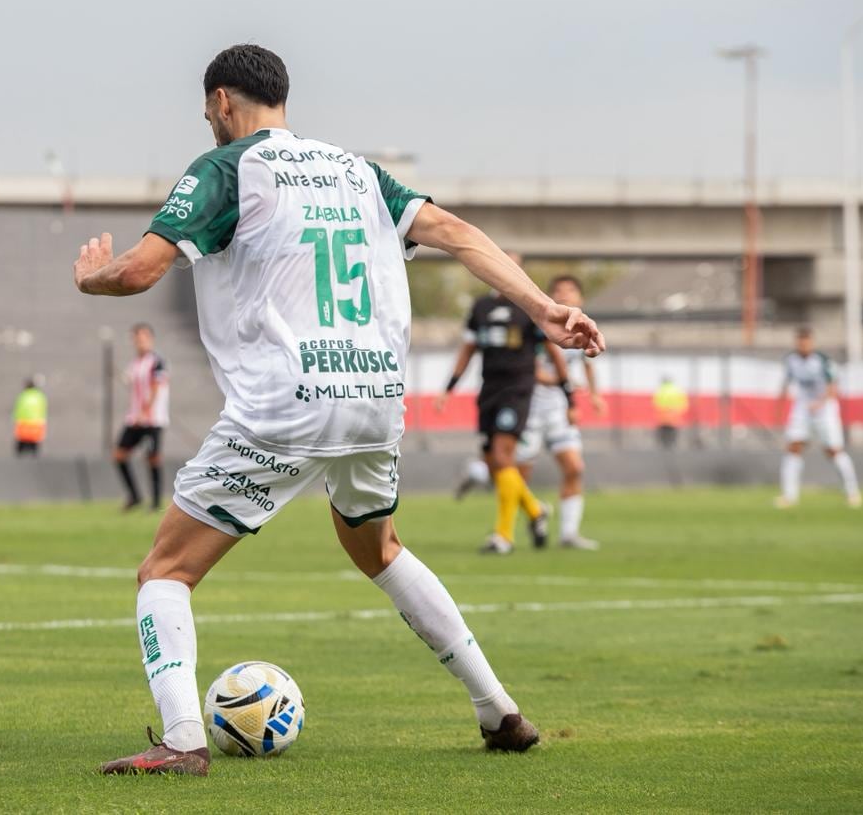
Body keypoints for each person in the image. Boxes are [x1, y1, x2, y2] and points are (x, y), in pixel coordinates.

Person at [73, 44, 604, 776]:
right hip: (374, 398)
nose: (208, 123)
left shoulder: (227, 168)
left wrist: (92, 278)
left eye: (207, 112)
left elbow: (138, 270)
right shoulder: (360, 172)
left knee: (163, 571)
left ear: (223, 102)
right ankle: (499, 711)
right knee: (376, 549)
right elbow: (458, 234)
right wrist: (546, 308)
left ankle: (183, 739)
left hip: (286, 403)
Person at [435, 253, 565, 554]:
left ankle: (503, 537)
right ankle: (535, 511)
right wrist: (449, 388)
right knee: (495, 464)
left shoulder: (530, 307)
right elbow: (468, 349)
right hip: (489, 390)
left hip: (517, 389)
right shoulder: (481, 307)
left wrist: (566, 388)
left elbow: (551, 349)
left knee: (504, 456)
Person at [516, 275, 604, 550]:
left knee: (575, 467)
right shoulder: (540, 325)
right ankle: (535, 513)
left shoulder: (581, 328)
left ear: (581, 298)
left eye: (571, 291)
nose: (565, 295)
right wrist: (560, 382)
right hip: (530, 409)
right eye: (559, 291)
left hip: (560, 410)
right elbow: (531, 367)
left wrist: (594, 393)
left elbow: (587, 362)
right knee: (517, 477)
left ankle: (569, 533)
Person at [776, 327, 862, 508]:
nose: (803, 344)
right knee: (793, 448)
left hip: (825, 410)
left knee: (833, 450)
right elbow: (786, 384)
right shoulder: (791, 361)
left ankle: (852, 493)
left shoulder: (823, 361)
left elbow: (833, 388)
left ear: (812, 343)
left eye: (806, 341)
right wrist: (779, 409)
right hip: (802, 408)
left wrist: (820, 403)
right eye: (800, 341)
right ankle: (789, 497)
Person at [114, 323, 169, 510]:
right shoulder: (134, 364)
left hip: (153, 419)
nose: (140, 341)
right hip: (134, 417)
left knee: (153, 458)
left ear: (151, 339)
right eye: (137, 338)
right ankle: (135, 496)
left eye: (143, 337)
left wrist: (145, 411)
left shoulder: (157, 361)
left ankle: (155, 502)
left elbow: (155, 387)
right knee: (119, 455)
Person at [13, 378, 47, 456]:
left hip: (24, 423)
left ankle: (20, 457)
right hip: (36, 423)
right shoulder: (40, 396)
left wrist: (16, 419)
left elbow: (18, 409)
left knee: (21, 444)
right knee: (34, 444)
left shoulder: (23, 396)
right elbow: (43, 409)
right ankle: (34, 457)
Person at [653, 375, 688, 450]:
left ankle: (664, 444)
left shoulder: (661, 390)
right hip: (674, 413)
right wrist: (677, 410)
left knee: (663, 430)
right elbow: (683, 403)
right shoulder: (677, 390)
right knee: (673, 429)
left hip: (663, 414)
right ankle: (672, 443)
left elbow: (656, 403)